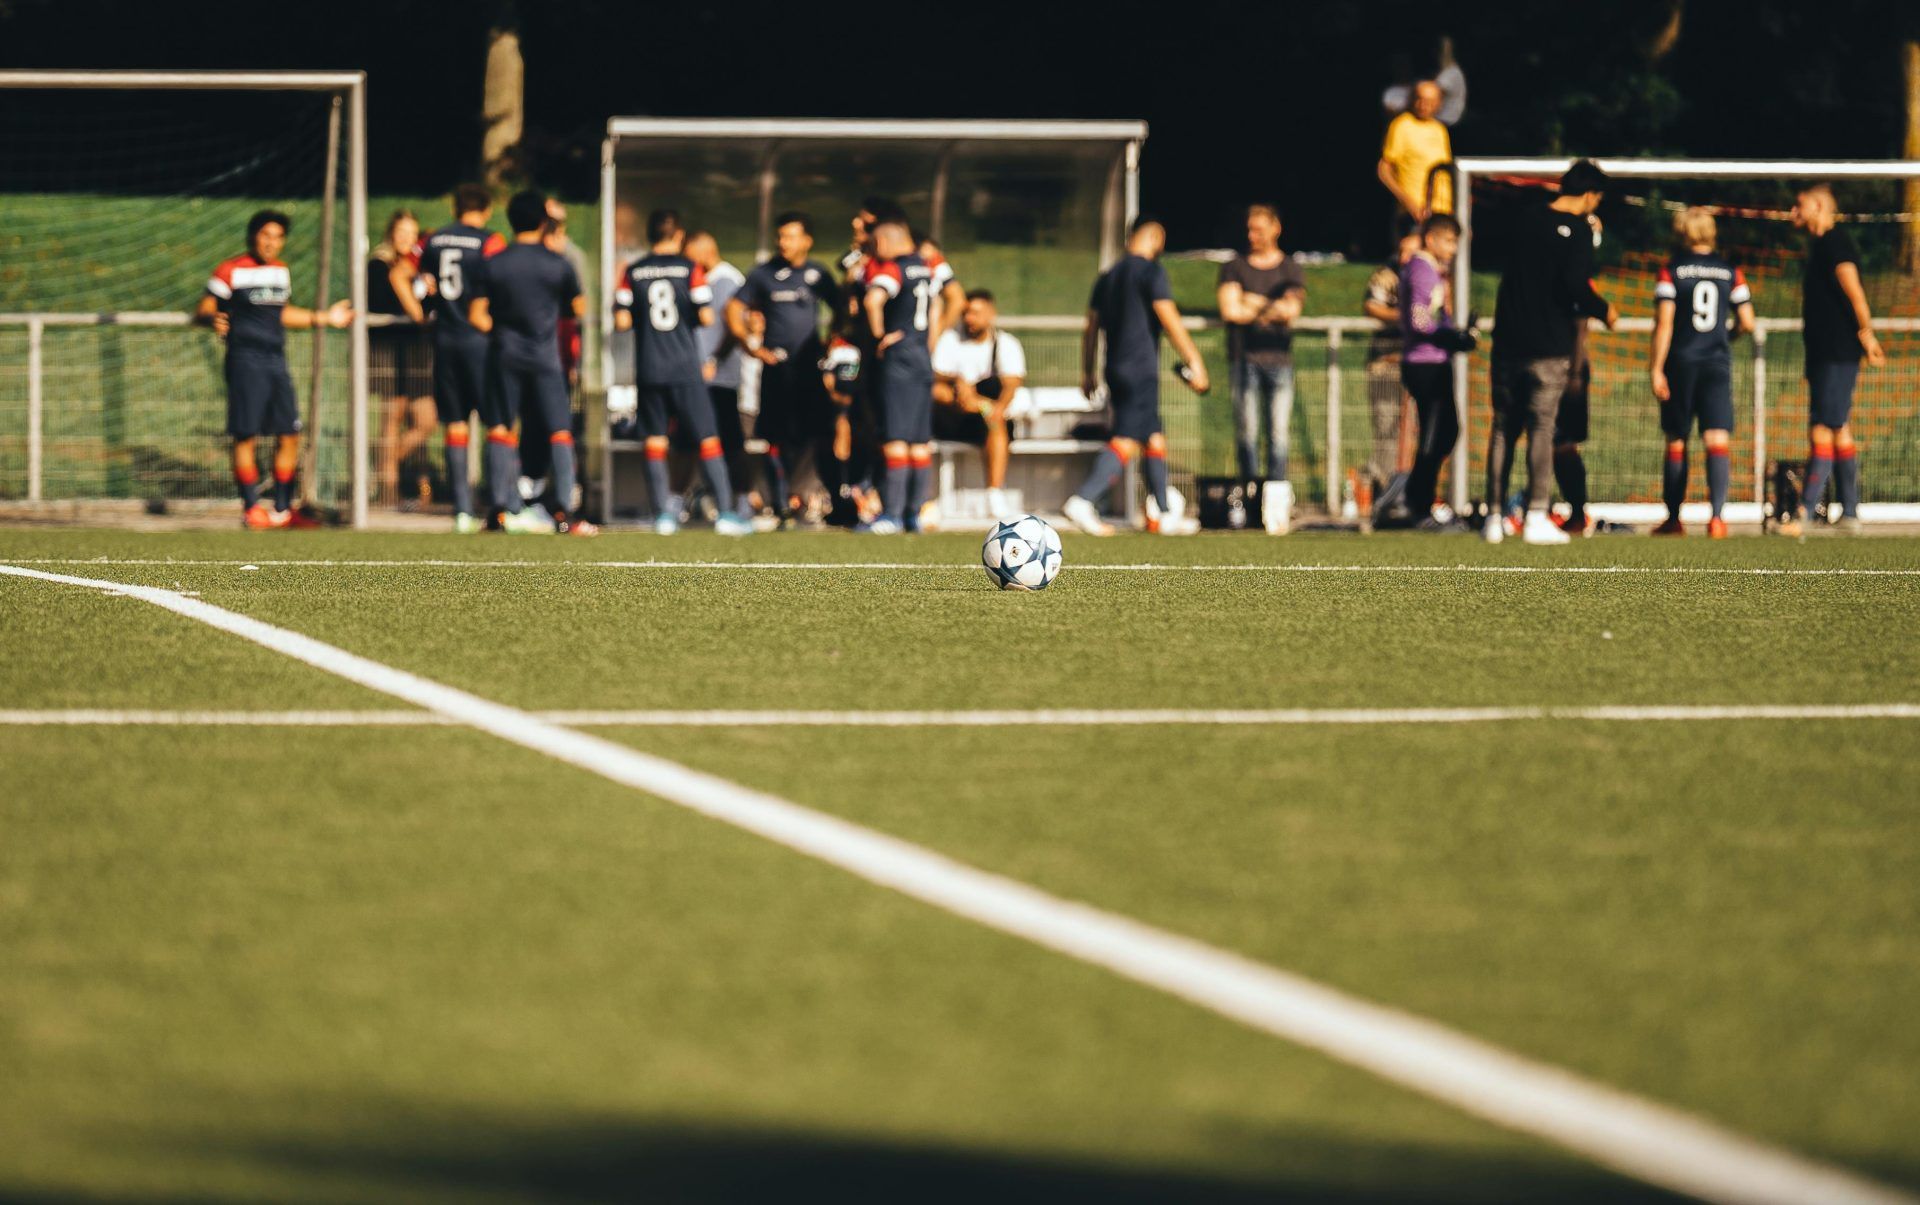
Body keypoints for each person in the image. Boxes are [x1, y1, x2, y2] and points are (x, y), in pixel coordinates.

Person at [1483, 159, 1617, 546]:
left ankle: (1494, 517)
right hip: (1548, 344)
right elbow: (1575, 285)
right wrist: (1604, 309)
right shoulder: (1576, 229)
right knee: (1541, 427)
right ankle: (1537, 513)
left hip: (1508, 339)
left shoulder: (1526, 219)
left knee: (1503, 426)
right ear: (1591, 195)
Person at [196, 209, 351, 529]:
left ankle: (282, 510)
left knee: (290, 433)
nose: (271, 242)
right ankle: (251, 508)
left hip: (276, 360)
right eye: (266, 235)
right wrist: (213, 317)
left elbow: (282, 313)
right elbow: (206, 306)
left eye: (278, 237)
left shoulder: (281, 271)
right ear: (254, 236)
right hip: (244, 359)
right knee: (246, 434)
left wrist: (324, 318)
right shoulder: (231, 270)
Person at [1062, 217, 1211, 537]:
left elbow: (1091, 328)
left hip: (1115, 368)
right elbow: (1168, 318)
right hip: (1140, 368)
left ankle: (1166, 512)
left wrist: (1087, 370)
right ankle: (1084, 499)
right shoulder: (1151, 271)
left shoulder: (1108, 276)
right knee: (1126, 439)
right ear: (1157, 239)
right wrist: (1194, 361)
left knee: (1153, 436)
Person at [614, 207, 749, 536]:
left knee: (656, 442)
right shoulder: (690, 269)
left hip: (649, 368)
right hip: (685, 368)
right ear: (677, 235)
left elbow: (621, 321)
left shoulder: (633, 271)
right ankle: (726, 515)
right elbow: (705, 318)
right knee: (708, 439)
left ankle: (663, 515)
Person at [466, 189, 593, 536]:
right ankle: (565, 511)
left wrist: (506, 330)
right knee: (560, 431)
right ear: (542, 221)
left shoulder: (494, 263)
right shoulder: (557, 263)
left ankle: (499, 511)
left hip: (504, 355)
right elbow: (578, 310)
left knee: (501, 428)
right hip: (545, 357)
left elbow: (477, 316)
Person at [1784, 183, 1886, 535]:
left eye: (1798, 205)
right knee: (1839, 428)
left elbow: (1854, 291)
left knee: (1822, 428)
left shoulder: (1834, 243)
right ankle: (1851, 513)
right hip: (1824, 354)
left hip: (1837, 353)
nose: (1793, 212)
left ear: (1817, 205)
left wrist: (1867, 334)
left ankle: (1804, 514)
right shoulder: (1819, 246)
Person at [729, 211, 843, 523]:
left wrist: (832, 339)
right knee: (774, 438)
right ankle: (780, 504)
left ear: (807, 240)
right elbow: (734, 308)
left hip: (809, 371)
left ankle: (825, 500)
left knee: (819, 434)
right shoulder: (763, 274)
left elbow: (843, 308)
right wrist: (751, 346)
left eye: (791, 236)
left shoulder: (818, 275)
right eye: (780, 236)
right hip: (776, 370)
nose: (784, 242)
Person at [1649, 206, 1755, 539]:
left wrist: (1656, 368)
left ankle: (1673, 518)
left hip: (1681, 362)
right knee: (1716, 438)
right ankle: (1718, 518)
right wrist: (1729, 336)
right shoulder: (1730, 271)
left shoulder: (1672, 271)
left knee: (1677, 438)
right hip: (1716, 363)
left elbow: (1664, 323)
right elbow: (1748, 321)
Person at [412, 184, 507, 533]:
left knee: (455, 424)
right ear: (486, 209)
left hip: (445, 339)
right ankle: (499, 506)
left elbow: (415, 277)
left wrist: (423, 306)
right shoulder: (490, 241)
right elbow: (502, 282)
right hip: (479, 340)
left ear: (455, 207)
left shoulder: (434, 240)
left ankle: (462, 511)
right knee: (497, 421)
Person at [1216, 204, 1307, 532]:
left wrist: (1251, 301)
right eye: (1249, 228)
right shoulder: (1234, 267)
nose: (1252, 235)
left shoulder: (1290, 268)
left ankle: (1277, 503)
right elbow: (1231, 312)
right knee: (1247, 434)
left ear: (1275, 228)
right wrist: (1270, 305)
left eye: (1259, 228)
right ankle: (1251, 501)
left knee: (1279, 435)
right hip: (1244, 361)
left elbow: (1290, 311)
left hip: (1279, 362)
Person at [858, 219, 942, 533]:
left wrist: (881, 336)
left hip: (899, 361)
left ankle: (890, 515)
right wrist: (925, 345)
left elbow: (872, 300)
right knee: (919, 442)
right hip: (922, 357)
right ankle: (912, 516)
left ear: (887, 241)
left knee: (895, 439)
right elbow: (935, 311)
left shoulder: (892, 268)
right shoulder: (926, 268)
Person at [1398, 214, 1472, 528]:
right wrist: (1448, 334)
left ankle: (1417, 498)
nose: (1453, 249)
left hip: (1433, 360)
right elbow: (1419, 319)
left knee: (1446, 432)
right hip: (1424, 363)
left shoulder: (1429, 270)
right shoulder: (1422, 270)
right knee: (1435, 433)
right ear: (1431, 239)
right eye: (1448, 240)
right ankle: (1417, 503)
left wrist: (1456, 333)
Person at [932, 288, 1028, 517]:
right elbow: (935, 375)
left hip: (990, 418)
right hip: (954, 417)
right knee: (936, 390)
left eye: (975, 313)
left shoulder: (1006, 344)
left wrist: (991, 406)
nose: (969, 319)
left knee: (995, 415)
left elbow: (1011, 384)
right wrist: (958, 383)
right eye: (966, 313)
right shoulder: (950, 340)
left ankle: (994, 493)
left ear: (990, 314)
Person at [367, 209, 436, 508]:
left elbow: (427, 309)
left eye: (412, 233)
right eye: (401, 232)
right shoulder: (378, 265)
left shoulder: (419, 267)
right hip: (387, 348)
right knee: (392, 416)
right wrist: (412, 291)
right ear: (390, 234)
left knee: (426, 419)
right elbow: (386, 301)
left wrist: (427, 290)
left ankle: (380, 469)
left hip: (416, 351)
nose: (407, 239)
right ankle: (388, 490)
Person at [686, 230, 750, 502]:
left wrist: (714, 360)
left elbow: (735, 328)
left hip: (720, 377)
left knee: (730, 440)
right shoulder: (701, 279)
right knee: (695, 439)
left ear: (705, 250)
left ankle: (741, 499)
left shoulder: (728, 279)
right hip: (698, 376)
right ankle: (702, 497)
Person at [1363, 230, 1421, 516]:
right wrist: (1407, 319)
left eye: (1411, 251)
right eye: (1402, 251)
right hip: (1386, 366)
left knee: (1419, 434)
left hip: (1420, 364)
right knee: (1387, 433)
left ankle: (1415, 495)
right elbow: (1372, 306)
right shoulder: (1387, 275)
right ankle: (1385, 495)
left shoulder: (1432, 275)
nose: (1404, 258)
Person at [1377, 79, 1454, 226]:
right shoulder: (1402, 125)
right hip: (1415, 212)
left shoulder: (1439, 129)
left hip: (1443, 211)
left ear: (1439, 103)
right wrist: (1409, 204)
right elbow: (1384, 169)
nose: (1424, 105)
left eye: (1430, 101)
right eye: (1420, 99)